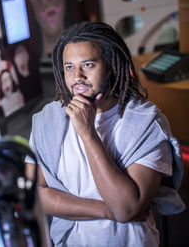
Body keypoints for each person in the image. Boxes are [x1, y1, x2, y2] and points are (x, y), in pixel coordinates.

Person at [26, 22, 185, 247]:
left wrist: (88, 133)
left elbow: (127, 207)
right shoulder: (47, 121)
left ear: (110, 65)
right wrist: (105, 211)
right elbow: (36, 193)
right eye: (69, 67)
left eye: (88, 65)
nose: (77, 76)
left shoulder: (146, 122)